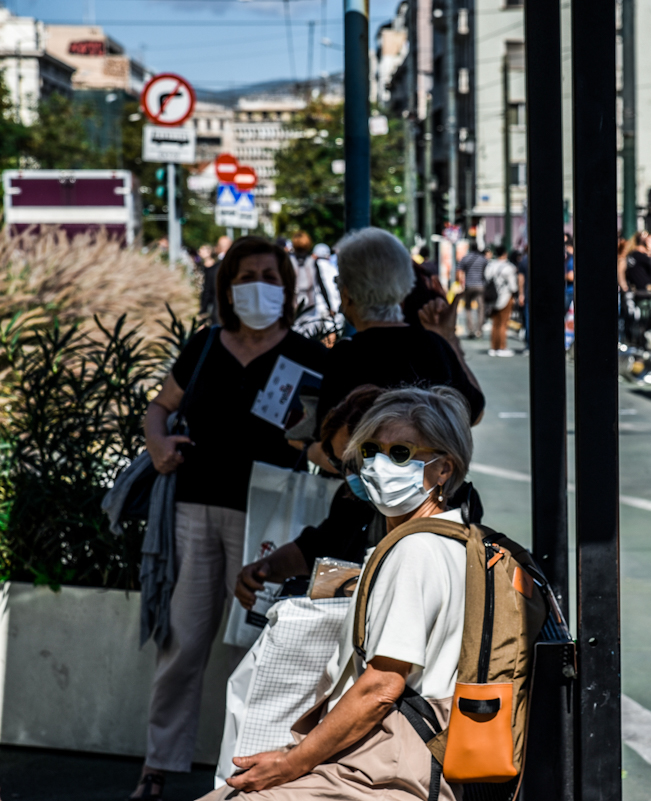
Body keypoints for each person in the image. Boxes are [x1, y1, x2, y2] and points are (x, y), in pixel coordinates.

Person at [201, 386, 476, 801]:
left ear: (444, 469)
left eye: (400, 453)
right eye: (369, 451)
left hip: (387, 767)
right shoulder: (461, 539)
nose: (380, 466)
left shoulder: (414, 550)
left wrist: (289, 763)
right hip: (408, 758)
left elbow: (380, 687)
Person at [132, 237, 329, 801]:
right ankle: (157, 765)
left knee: (256, 649)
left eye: (270, 275)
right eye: (247, 275)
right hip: (194, 508)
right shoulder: (203, 346)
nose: (259, 285)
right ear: (227, 286)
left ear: (287, 287)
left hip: (269, 519)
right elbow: (160, 406)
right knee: (183, 643)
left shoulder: (309, 356)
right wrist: (156, 444)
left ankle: (243, 776)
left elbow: (323, 439)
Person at [312, 227, 485, 470]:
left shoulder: (347, 355)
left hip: (367, 500)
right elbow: (474, 413)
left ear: (347, 294)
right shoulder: (433, 345)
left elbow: (335, 448)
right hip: (432, 496)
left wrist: (309, 451)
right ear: (404, 288)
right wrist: (449, 338)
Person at [234, 386, 384, 607]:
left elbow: (382, 588)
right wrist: (266, 568)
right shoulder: (351, 498)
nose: (350, 475)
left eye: (355, 462)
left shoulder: (413, 510)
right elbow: (318, 546)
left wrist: (324, 585)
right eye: (339, 465)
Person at [482, 249, 520, 357]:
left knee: (495, 323)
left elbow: (486, 278)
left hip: (492, 297)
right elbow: (513, 286)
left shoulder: (490, 266)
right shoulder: (509, 268)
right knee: (503, 323)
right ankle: (502, 347)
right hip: (505, 296)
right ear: (505, 254)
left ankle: (493, 347)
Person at [455, 244, 489, 339]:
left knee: (468, 308)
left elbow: (459, 271)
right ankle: (479, 330)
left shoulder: (466, 258)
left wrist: (461, 284)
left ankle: (470, 330)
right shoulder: (483, 259)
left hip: (469, 285)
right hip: (480, 286)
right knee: (481, 308)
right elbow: (487, 271)